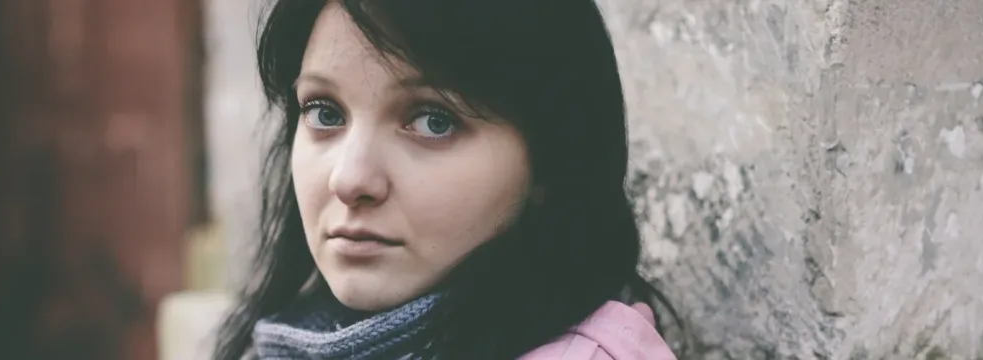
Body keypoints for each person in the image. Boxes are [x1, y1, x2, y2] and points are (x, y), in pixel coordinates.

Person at [213, 0, 681, 358]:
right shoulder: (288, 340)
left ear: (552, 159)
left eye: (433, 121)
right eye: (324, 111)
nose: (349, 178)